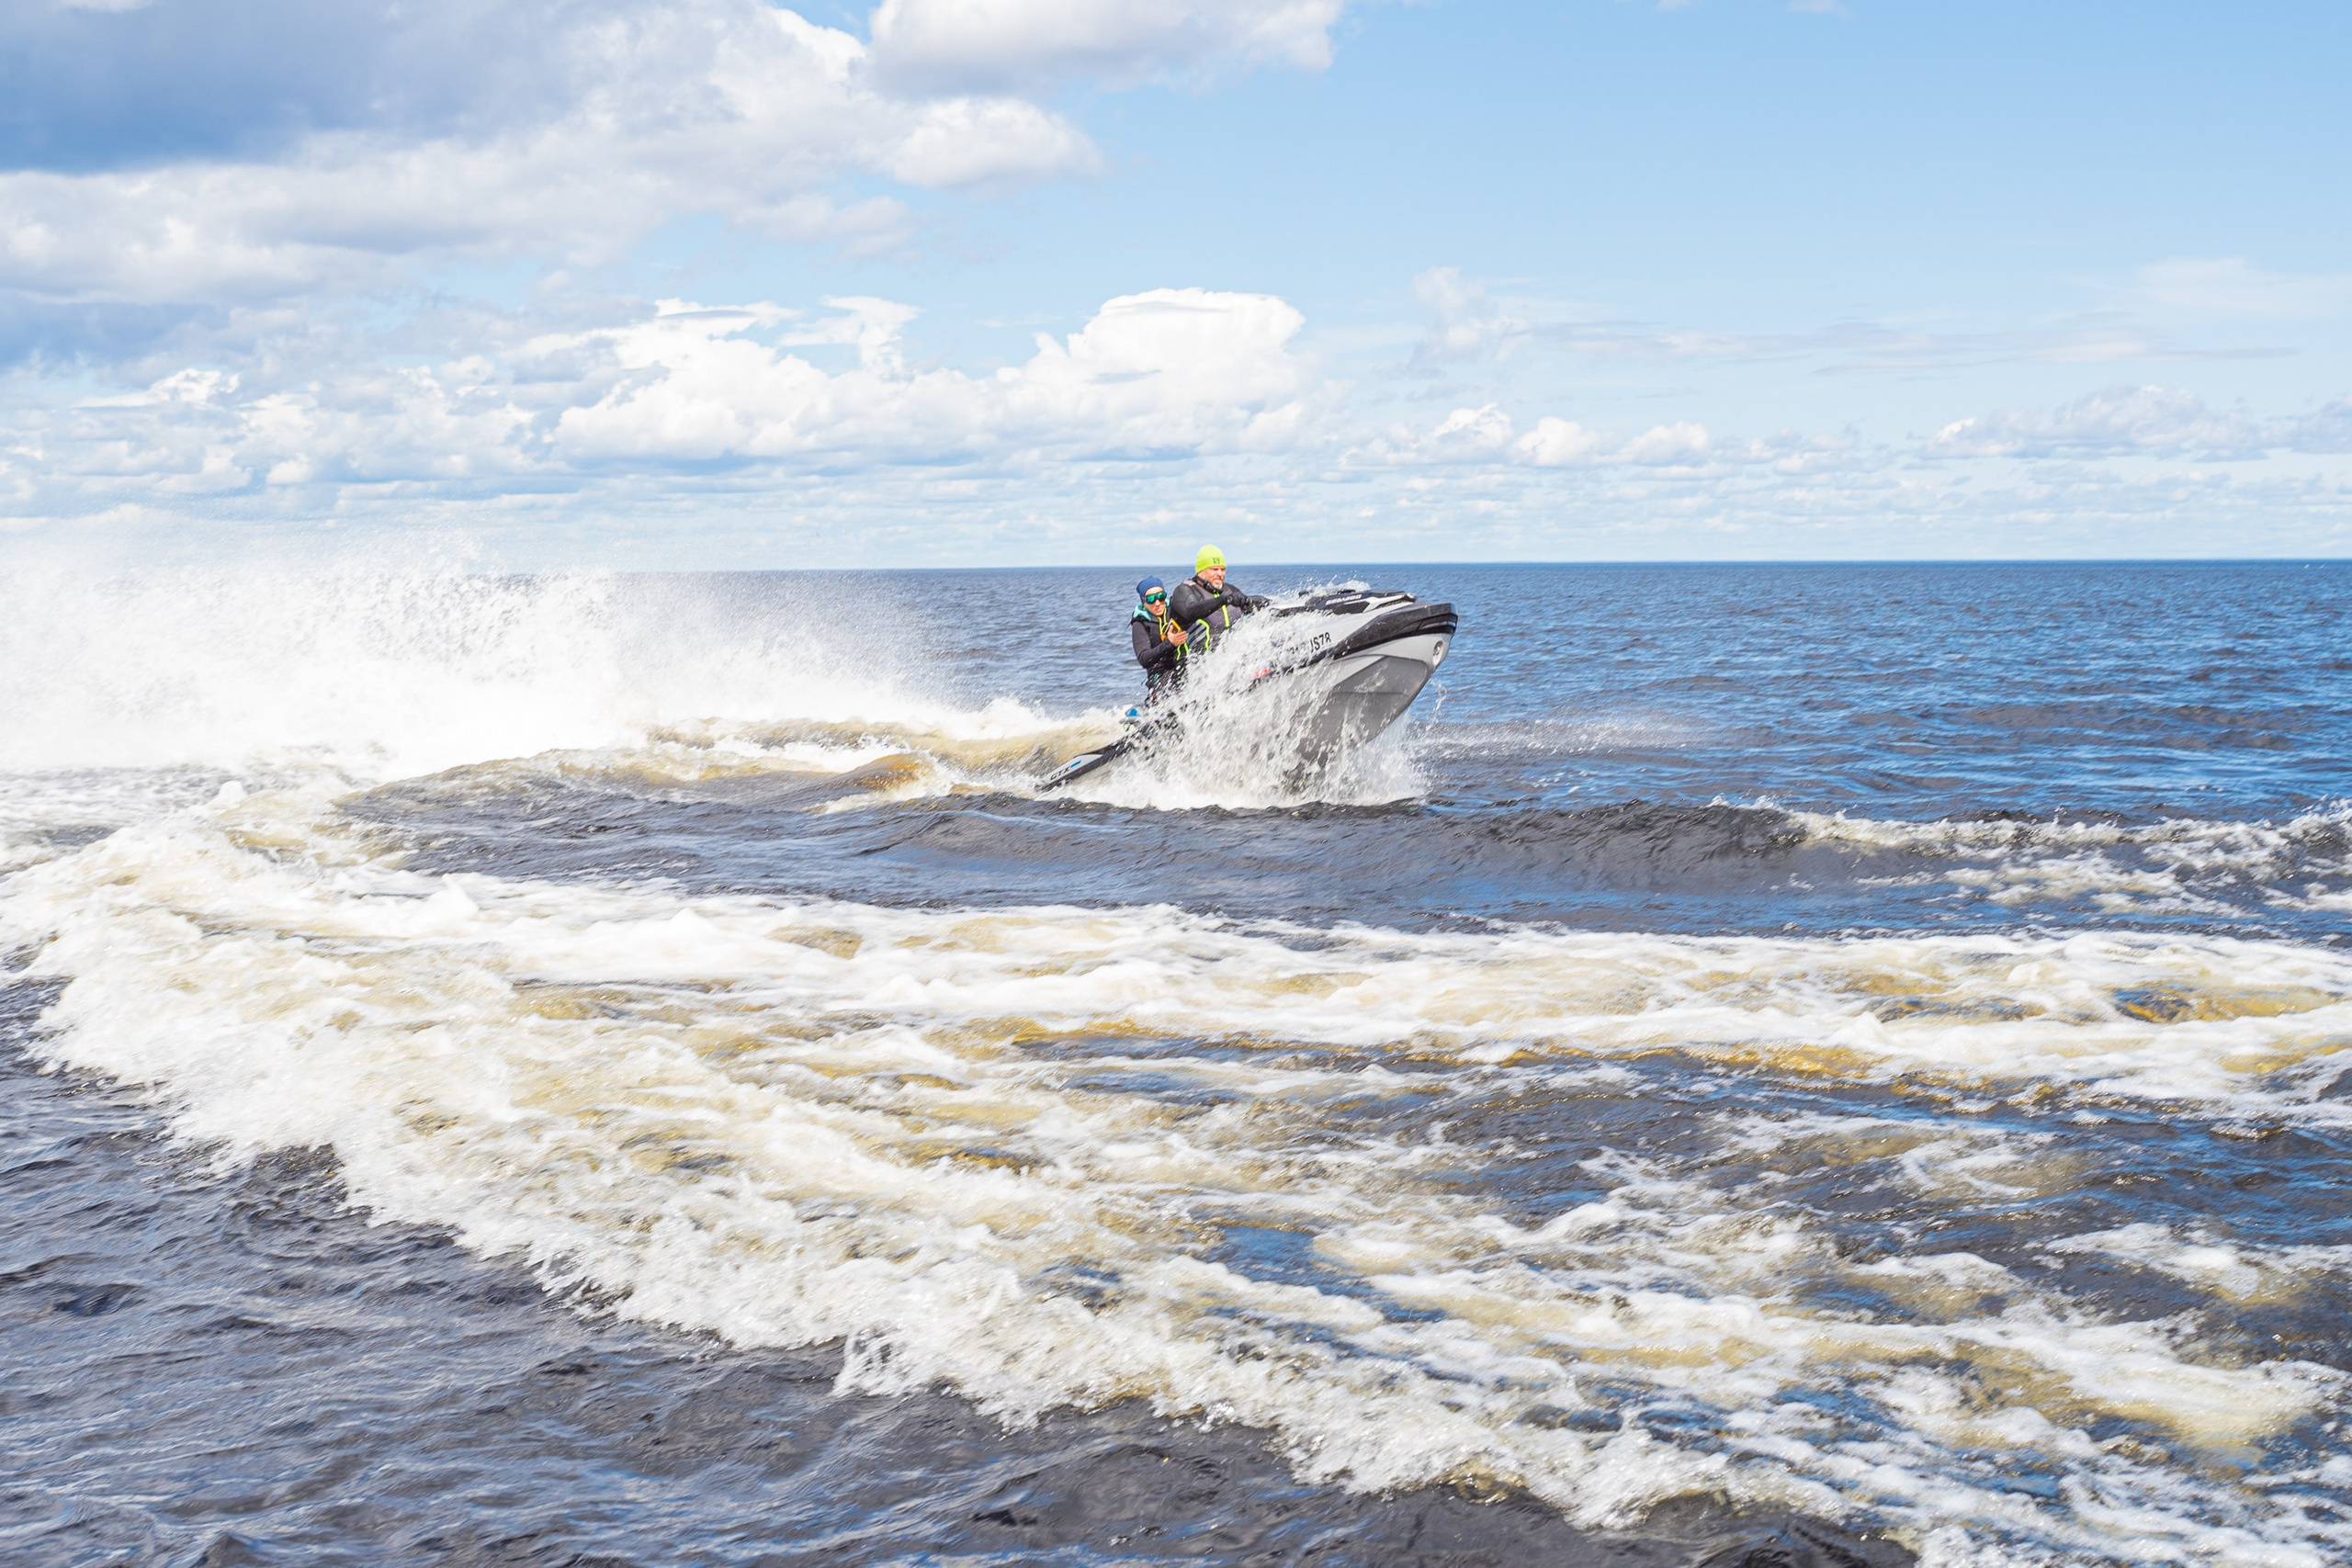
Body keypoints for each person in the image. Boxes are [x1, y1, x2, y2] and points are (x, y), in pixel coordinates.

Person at [1166, 546, 1268, 653]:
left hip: (1227, 662)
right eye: (1214, 569)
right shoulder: (1184, 590)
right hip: (1191, 665)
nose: (1220, 574)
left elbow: (1249, 607)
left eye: (1223, 569)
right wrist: (1224, 600)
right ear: (1201, 571)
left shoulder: (1230, 590)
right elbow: (1189, 611)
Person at [1129, 576, 1188, 697]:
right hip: (1159, 674)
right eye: (1151, 599)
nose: (1157, 603)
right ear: (1143, 602)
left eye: (1161, 597)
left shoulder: (1175, 610)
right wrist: (1169, 644)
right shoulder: (1140, 624)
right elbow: (1144, 659)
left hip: (1183, 666)